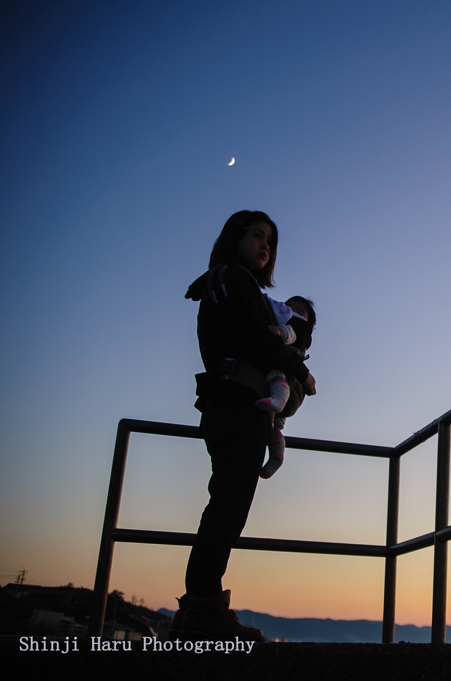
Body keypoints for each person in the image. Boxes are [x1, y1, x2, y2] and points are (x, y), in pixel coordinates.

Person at [172, 211, 316, 641]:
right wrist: (300, 373)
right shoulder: (233, 279)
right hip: (237, 405)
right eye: (256, 236)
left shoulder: (228, 281)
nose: (265, 246)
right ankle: (202, 610)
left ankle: (200, 609)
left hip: (231, 403)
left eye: (270, 240)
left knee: (227, 504)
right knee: (228, 507)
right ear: (234, 237)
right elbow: (258, 340)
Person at [257, 295, 317, 479]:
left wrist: (279, 332)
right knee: (275, 427)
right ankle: (277, 454)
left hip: (284, 385)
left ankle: (277, 400)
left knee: (277, 376)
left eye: (299, 312)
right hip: (292, 391)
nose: (293, 313)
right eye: (288, 308)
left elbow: (290, 334)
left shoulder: (296, 328)